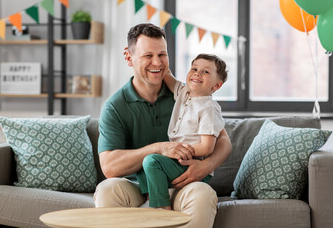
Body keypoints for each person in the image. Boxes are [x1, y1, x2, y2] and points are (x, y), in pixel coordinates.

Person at [94, 23, 232, 228]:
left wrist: (206, 166)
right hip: (137, 187)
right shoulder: (115, 106)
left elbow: (224, 143)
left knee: (203, 193)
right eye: (148, 56)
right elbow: (110, 167)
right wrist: (159, 148)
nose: (157, 63)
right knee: (107, 189)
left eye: (162, 54)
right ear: (128, 56)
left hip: (182, 184)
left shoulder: (187, 95)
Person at [138, 53, 228, 210]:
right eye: (194, 68)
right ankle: (152, 196)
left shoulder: (208, 108)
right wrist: (155, 55)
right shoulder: (183, 92)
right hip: (177, 160)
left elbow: (207, 147)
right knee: (139, 162)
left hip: (191, 163)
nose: (197, 73)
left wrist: (176, 151)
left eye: (205, 72)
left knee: (151, 161)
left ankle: (162, 208)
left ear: (216, 86)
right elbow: (166, 73)